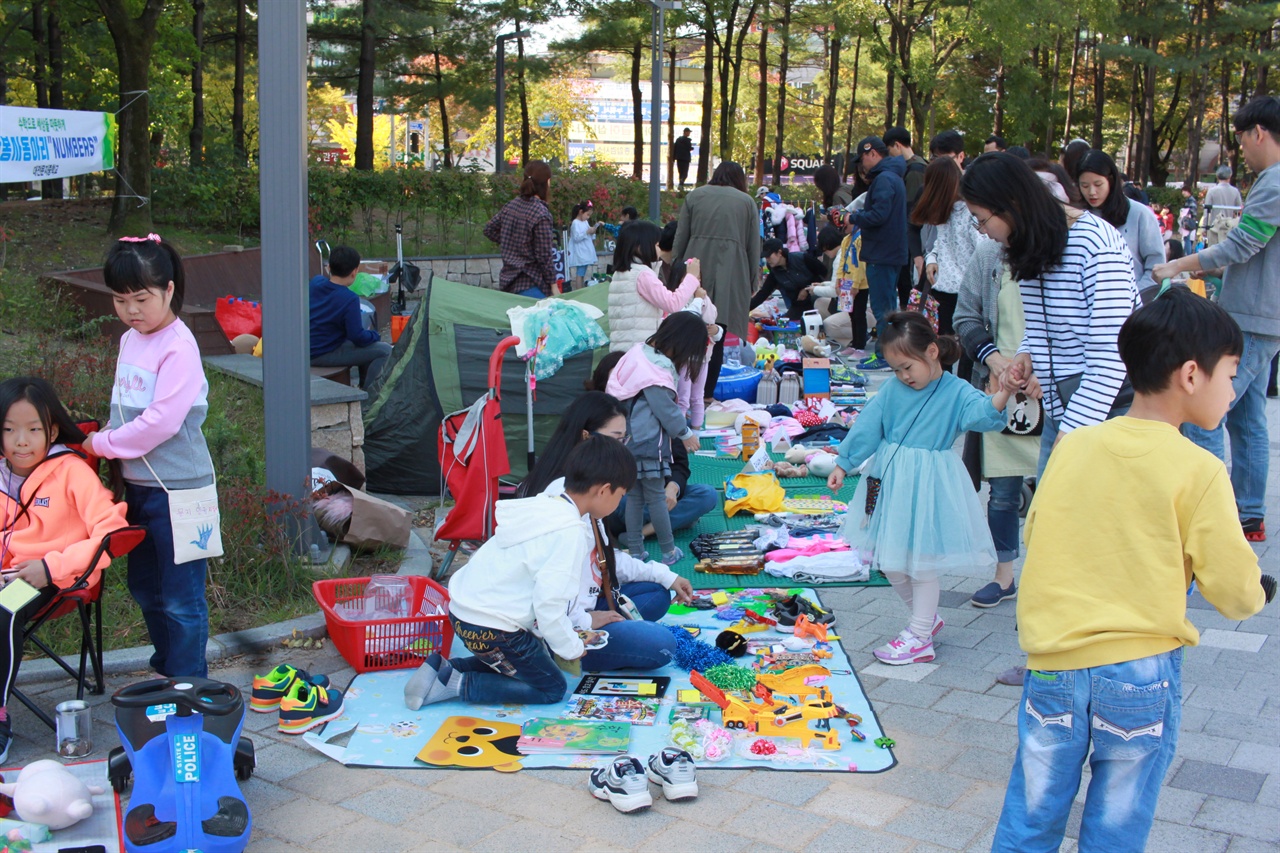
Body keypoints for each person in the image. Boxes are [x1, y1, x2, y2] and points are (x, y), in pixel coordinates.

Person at [991, 287, 1268, 852]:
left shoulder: (1074, 446)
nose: (1234, 388)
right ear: (1192, 375)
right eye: (1231, 373)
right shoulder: (1201, 468)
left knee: (1031, 813)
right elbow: (1237, 593)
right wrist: (1258, 592)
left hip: (1054, 663)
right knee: (1115, 826)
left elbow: (1039, 533)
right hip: (1138, 672)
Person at [827, 312, 1011, 665]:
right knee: (891, 561)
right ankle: (923, 621)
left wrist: (1001, 396)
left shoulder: (956, 390)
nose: (902, 376)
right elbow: (869, 424)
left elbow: (982, 415)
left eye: (907, 367)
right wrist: (843, 462)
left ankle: (920, 635)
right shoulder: (893, 390)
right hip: (887, 482)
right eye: (896, 370)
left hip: (928, 487)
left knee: (921, 563)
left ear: (931, 352)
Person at [403, 438, 631, 709]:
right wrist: (572, 648)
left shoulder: (543, 505)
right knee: (552, 687)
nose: (619, 502)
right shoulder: (569, 533)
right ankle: (456, 685)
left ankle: (440, 668)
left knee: (529, 659)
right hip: (495, 629)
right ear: (605, 490)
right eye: (620, 495)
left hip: (462, 614)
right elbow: (550, 607)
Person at [84, 235, 217, 679]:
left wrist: (101, 445)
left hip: (180, 492)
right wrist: (102, 435)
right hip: (137, 489)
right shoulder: (129, 340)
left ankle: (189, 683)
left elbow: (159, 424)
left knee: (181, 597)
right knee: (146, 588)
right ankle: (166, 670)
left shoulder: (179, 346)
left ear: (170, 290)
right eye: (121, 300)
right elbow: (121, 410)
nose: (131, 310)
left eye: (141, 298)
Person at [961, 153, 1140, 479]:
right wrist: (1028, 353)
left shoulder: (1095, 245)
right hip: (1064, 409)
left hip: (1107, 415)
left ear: (1010, 204)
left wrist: (1070, 436)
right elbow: (1044, 323)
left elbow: (1110, 358)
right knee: (1046, 521)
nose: (982, 232)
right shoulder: (1031, 245)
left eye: (981, 219)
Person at [1154, 96, 1280, 542]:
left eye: (1242, 140)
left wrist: (1178, 266)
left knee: (1207, 414)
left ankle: (1211, 522)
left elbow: (1241, 246)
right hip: (1267, 318)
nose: (1240, 151)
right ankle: (1249, 516)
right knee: (1249, 421)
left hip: (1251, 317)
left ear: (1258, 133)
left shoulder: (1273, 182)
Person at [0, 377, 129, 760]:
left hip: (50, 576)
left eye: (33, 429)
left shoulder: (71, 471)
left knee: (3, 610)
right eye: (9, 430)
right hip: (7, 573)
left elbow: (112, 530)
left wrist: (50, 566)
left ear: (51, 430)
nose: (21, 441)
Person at [954, 240, 1040, 610]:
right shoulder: (989, 255)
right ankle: (1003, 575)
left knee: (1060, 489)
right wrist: (993, 359)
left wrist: (1048, 370)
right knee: (1003, 491)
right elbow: (965, 317)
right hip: (1000, 387)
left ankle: (1050, 577)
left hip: (1050, 391)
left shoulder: (1061, 252)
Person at [606, 313, 707, 565]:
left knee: (637, 499)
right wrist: (685, 433)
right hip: (648, 445)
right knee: (657, 500)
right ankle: (668, 550)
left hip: (629, 444)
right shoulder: (658, 368)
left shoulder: (639, 353)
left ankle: (638, 549)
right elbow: (665, 408)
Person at [672, 161, 761, 400]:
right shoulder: (746, 202)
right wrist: (754, 280)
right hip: (731, 270)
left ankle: (682, 393)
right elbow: (754, 245)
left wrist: (676, 266)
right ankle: (707, 395)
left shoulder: (695, 196)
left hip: (695, 266)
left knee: (688, 326)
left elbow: (681, 235)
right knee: (717, 332)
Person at [846, 136, 908, 371]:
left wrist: (853, 217)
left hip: (882, 253)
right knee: (889, 307)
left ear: (872, 153)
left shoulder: (883, 180)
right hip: (891, 252)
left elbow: (879, 215)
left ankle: (884, 356)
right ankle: (890, 354)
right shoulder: (894, 177)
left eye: (862, 158)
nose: (861, 164)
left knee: (883, 309)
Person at [606, 219, 702, 353]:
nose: (660, 250)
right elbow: (673, 304)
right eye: (657, 245)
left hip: (622, 350)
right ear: (640, 247)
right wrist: (691, 277)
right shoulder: (642, 275)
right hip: (639, 352)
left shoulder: (621, 273)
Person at [1073, 150, 1164, 289]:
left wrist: (1134, 299)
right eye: (1084, 186)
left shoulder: (1139, 213)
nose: (1091, 192)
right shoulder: (1076, 215)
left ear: (1111, 181)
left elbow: (1156, 265)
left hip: (1134, 303)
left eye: (1098, 184)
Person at [912, 157, 982, 335]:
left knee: (963, 347)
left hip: (967, 293)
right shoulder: (945, 211)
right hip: (941, 288)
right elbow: (938, 243)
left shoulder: (970, 213)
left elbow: (982, 252)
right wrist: (931, 258)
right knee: (943, 347)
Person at [308, 245, 393, 390]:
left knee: (367, 341)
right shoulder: (349, 299)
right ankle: (368, 394)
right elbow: (357, 337)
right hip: (322, 353)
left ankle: (361, 385)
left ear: (329, 267)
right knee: (384, 350)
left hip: (310, 345)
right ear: (354, 272)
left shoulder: (316, 282)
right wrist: (374, 335)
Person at [484, 160, 556, 298]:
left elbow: (489, 229)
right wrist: (554, 286)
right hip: (532, 283)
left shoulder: (511, 205)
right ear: (546, 183)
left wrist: (511, 242)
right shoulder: (541, 213)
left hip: (508, 283)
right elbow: (544, 256)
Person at [885, 127, 930, 307]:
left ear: (897, 145)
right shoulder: (916, 167)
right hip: (910, 237)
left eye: (889, 151)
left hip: (911, 239)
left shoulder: (915, 170)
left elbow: (911, 210)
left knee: (908, 286)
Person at [752, 238, 825, 320]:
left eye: (769, 256)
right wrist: (746, 309)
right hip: (798, 306)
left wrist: (807, 289)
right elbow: (763, 294)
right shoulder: (775, 273)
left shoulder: (802, 258)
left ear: (779, 252)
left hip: (818, 301)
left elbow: (824, 274)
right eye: (765, 257)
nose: (767, 260)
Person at [1203, 163, 1244, 247]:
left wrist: (1204, 227)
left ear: (1217, 176)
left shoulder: (1212, 191)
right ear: (1230, 176)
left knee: (1213, 253)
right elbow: (1239, 208)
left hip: (1214, 227)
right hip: (1229, 227)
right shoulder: (1235, 191)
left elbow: (1206, 211)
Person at [565, 200, 599, 291]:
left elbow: (587, 233)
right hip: (580, 252)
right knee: (580, 273)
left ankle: (581, 289)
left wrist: (592, 232)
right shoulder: (575, 223)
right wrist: (587, 232)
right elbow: (576, 238)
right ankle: (579, 291)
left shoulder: (584, 222)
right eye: (587, 214)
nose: (588, 217)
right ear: (581, 212)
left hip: (585, 251)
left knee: (582, 272)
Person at [1179, 186, 1200, 256]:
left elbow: (1193, 211)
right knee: (1186, 238)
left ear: (1188, 191)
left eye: (1184, 191)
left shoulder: (1191, 200)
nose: (1183, 193)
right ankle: (1185, 253)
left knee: (1186, 238)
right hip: (1188, 220)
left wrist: (1187, 213)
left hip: (1189, 221)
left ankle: (1188, 254)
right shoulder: (1189, 199)